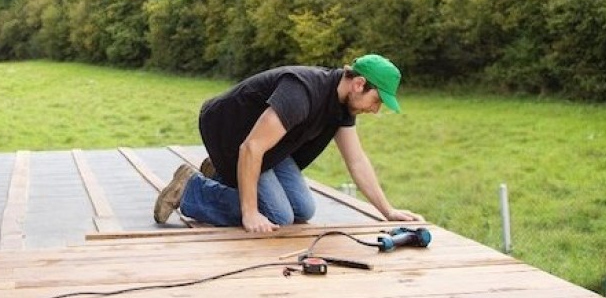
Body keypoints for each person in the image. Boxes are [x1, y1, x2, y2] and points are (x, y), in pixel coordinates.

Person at [154, 54, 423, 232]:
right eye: (376, 101)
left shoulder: (342, 108)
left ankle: (223, 175)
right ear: (359, 84)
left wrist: (388, 211)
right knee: (278, 215)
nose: (375, 110)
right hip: (230, 132)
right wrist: (249, 212)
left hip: (269, 145)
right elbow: (251, 147)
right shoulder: (303, 92)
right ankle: (190, 188)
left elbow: (356, 161)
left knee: (304, 209)